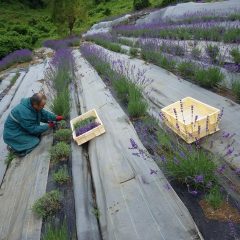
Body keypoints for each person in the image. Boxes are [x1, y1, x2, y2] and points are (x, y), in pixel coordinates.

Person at [3, 93, 63, 157]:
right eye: (42, 106)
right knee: (35, 141)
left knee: (38, 135)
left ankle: (17, 143)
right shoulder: (24, 112)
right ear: (35, 105)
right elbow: (32, 129)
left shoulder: (32, 105)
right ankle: (13, 148)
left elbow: (44, 113)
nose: (43, 107)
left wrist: (55, 117)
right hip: (13, 134)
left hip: (22, 128)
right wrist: (48, 126)